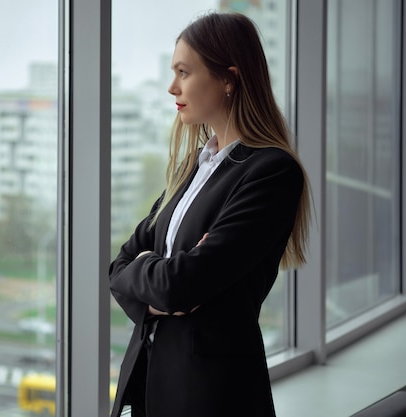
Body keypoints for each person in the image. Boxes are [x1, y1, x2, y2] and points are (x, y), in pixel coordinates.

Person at [109, 11, 311, 417]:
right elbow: (118, 269)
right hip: (149, 388)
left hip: (212, 398)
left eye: (184, 72)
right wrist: (160, 275)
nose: (172, 87)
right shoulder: (192, 168)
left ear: (228, 79)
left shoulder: (271, 172)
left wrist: (162, 277)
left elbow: (179, 284)